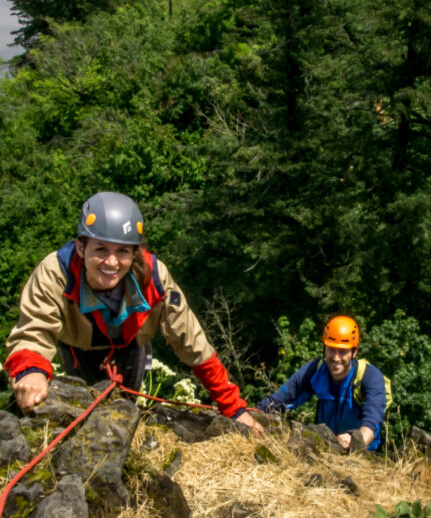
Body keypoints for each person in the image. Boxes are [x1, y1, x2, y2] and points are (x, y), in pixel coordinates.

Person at [4, 191, 264, 435]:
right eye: (100, 249)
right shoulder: (56, 272)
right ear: (81, 248)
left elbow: (191, 340)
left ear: (135, 252)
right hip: (78, 348)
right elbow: (34, 328)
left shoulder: (154, 278)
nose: (112, 262)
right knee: (81, 417)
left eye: (122, 251)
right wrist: (31, 371)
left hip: (130, 347)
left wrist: (234, 407)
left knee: (123, 415)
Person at [257, 315, 387, 451]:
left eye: (343, 352)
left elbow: (372, 420)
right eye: (331, 349)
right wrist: (252, 415)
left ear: (354, 352)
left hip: (364, 456)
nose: (336, 358)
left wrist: (356, 440)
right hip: (326, 451)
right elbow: (278, 401)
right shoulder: (315, 371)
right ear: (324, 348)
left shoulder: (369, 377)